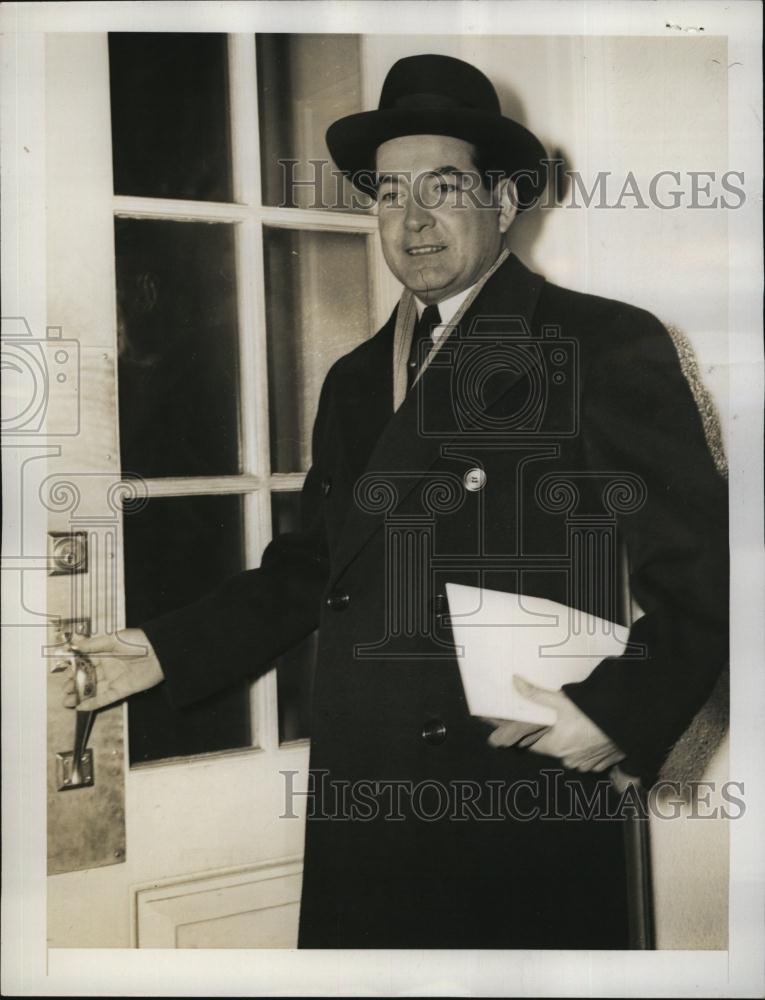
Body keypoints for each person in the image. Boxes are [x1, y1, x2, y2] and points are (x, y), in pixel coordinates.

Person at [64, 54, 728, 949]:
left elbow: (712, 575)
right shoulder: (351, 381)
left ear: (501, 201)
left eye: (443, 186)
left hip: (513, 801)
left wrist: (618, 716)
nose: (411, 219)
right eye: (387, 192)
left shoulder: (599, 343)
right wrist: (159, 650)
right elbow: (312, 569)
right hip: (364, 794)